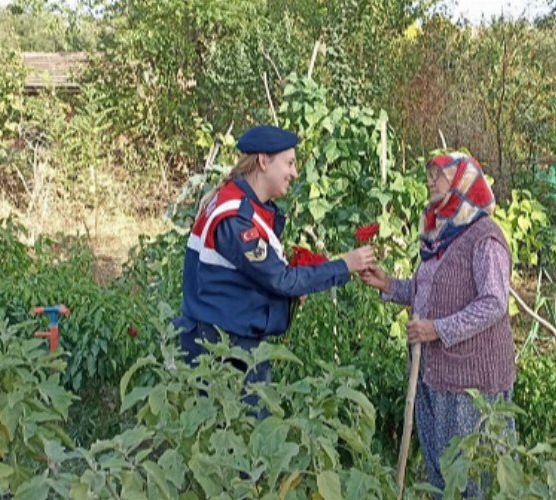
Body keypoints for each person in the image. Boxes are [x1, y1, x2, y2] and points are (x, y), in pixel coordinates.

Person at [173, 124, 375, 411]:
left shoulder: (238, 202)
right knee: (242, 439)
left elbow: (248, 275)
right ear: (263, 161)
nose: (294, 173)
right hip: (224, 350)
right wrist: (345, 265)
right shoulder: (237, 219)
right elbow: (279, 279)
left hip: (224, 339)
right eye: (289, 163)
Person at [359, 152, 515, 497]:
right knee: (441, 472)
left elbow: (493, 303)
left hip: (470, 383)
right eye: (429, 173)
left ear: (462, 183)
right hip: (432, 372)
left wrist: (438, 329)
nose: (430, 180)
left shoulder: (484, 238)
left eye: (439, 175)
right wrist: (389, 285)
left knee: (471, 478)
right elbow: (427, 293)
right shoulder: (440, 236)